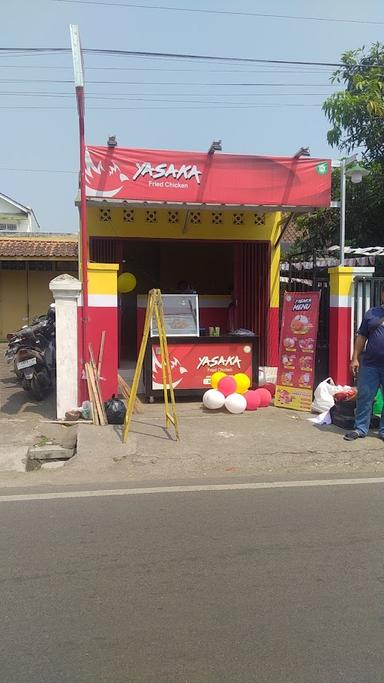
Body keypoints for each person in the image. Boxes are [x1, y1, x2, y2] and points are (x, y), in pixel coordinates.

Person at [344, 286, 384, 441]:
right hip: (370, 364)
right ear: (382, 294)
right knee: (365, 396)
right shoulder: (372, 314)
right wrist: (355, 358)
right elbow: (361, 337)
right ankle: (360, 428)